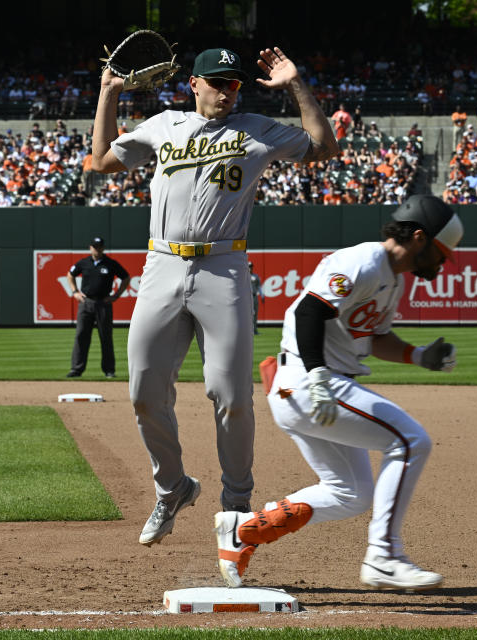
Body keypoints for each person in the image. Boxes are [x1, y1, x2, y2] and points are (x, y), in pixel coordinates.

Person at [90, 44, 338, 546]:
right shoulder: (164, 125)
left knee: (230, 396)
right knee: (142, 393)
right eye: (218, 81)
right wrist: (107, 94)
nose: (227, 90)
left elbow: (324, 148)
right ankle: (173, 487)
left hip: (223, 268)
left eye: (234, 83)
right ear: (195, 85)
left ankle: (237, 505)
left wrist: (295, 84)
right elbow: (99, 162)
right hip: (161, 264)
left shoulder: (257, 129)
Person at [212, 195, 463, 591]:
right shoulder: (362, 262)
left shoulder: (392, 279)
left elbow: (373, 336)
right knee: (411, 441)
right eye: (442, 252)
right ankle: (384, 555)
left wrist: (418, 356)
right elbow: (308, 312)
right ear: (419, 237)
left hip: (312, 387)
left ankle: (245, 531)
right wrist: (318, 375)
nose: (443, 262)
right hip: (312, 383)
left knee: (350, 493)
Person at [66, 237, 130, 378]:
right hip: (86, 302)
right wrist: (75, 292)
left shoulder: (110, 263)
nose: (97, 249)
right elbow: (70, 275)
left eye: (99, 246)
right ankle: (76, 369)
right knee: (81, 335)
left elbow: (126, 277)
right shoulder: (84, 263)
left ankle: (109, 370)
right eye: (95, 246)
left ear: (103, 248)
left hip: (103, 304)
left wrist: (116, 295)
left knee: (105, 337)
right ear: (90, 248)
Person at [248, 261, 264, 335]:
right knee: (247, 314)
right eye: (249, 266)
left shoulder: (255, 276)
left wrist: (262, 295)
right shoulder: (243, 276)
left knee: (255, 314)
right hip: (247, 297)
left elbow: (259, 287)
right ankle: (248, 331)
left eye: (251, 266)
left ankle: (255, 330)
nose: (250, 268)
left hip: (254, 296)